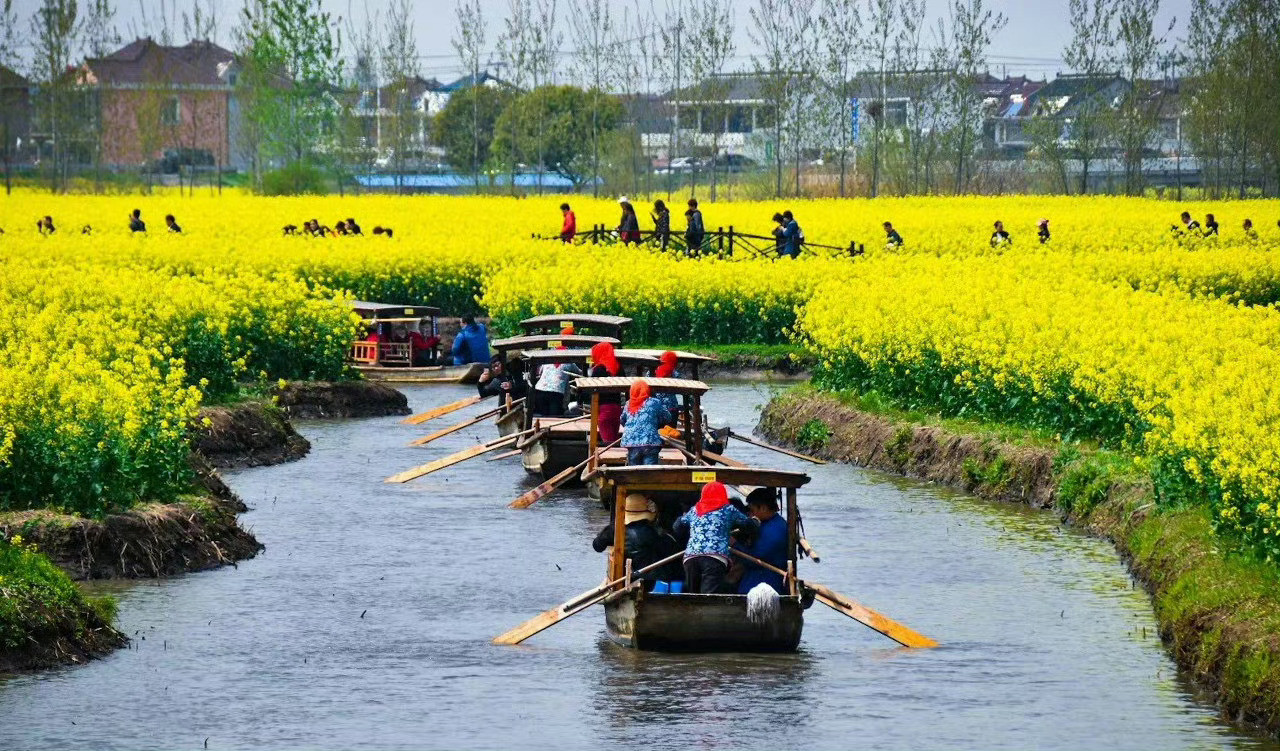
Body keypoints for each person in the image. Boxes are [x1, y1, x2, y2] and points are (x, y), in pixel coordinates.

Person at [673, 482, 757, 594]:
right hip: (714, 558)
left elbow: (677, 526)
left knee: (692, 597)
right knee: (709, 598)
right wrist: (756, 522)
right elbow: (748, 524)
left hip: (691, 558)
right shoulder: (728, 509)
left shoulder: (695, 510)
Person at [592, 493, 683, 589]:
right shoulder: (652, 532)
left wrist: (609, 531)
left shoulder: (614, 529)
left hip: (631, 577)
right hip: (652, 579)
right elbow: (670, 550)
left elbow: (597, 546)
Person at [733, 488, 788, 594]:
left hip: (766, 582)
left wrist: (735, 544)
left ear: (763, 508)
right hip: (754, 577)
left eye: (752, 510)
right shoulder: (764, 523)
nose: (750, 515)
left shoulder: (776, 529)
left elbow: (756, 557)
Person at [620, 379, 669, 465]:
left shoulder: (628, 404)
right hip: (650, 442)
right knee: (649, 473)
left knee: (634, 473)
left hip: (631, 443)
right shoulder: (654, 402)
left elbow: (622, 420)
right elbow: (667, 417)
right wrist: (656, 422)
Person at [532, 342, 581, 416]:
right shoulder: (569, 362)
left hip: (540, 390)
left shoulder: (547, 361)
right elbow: (579, 373)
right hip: (556, 392)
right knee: (554, 416)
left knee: (543, 415)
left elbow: (539, 372)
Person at [589, 341, 623, 443]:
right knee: (614, 438)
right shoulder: (618, 368)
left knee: (608, 442)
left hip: (603, 409)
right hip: (617, 409)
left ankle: (609, 458)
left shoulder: (598, 370)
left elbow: (591, 389)